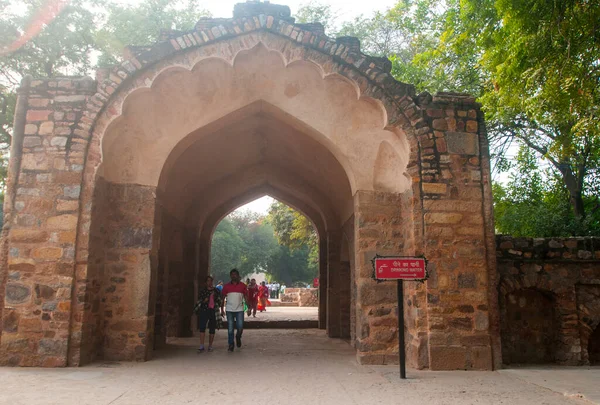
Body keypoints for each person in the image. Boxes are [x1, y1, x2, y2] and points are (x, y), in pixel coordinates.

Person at [221, 269, 247, 352]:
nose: (233, 276)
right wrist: (222, 309)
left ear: (238, 276)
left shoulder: (243, 286)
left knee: (240, 327)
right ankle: (231, 344)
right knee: (230, 328)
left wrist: (249, 307)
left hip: (239, 309)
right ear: (230, 276)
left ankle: (238, 336)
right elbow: (222, 298)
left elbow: (246, 297)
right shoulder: (226, 286)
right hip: (229, 309)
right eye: (232, 274)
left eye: (235, 274)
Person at [195, 275, 221, 353]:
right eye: (208, 281)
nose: (210, 282)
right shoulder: (203, 291)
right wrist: (205, 300)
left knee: (212, 328)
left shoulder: (216, 290)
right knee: (202, 327)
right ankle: (201, 345)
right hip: (204, 310)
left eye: (211, 281)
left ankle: (210, 345)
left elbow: (219, 301)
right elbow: (199, 300)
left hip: (213, 310)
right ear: (205, 282)